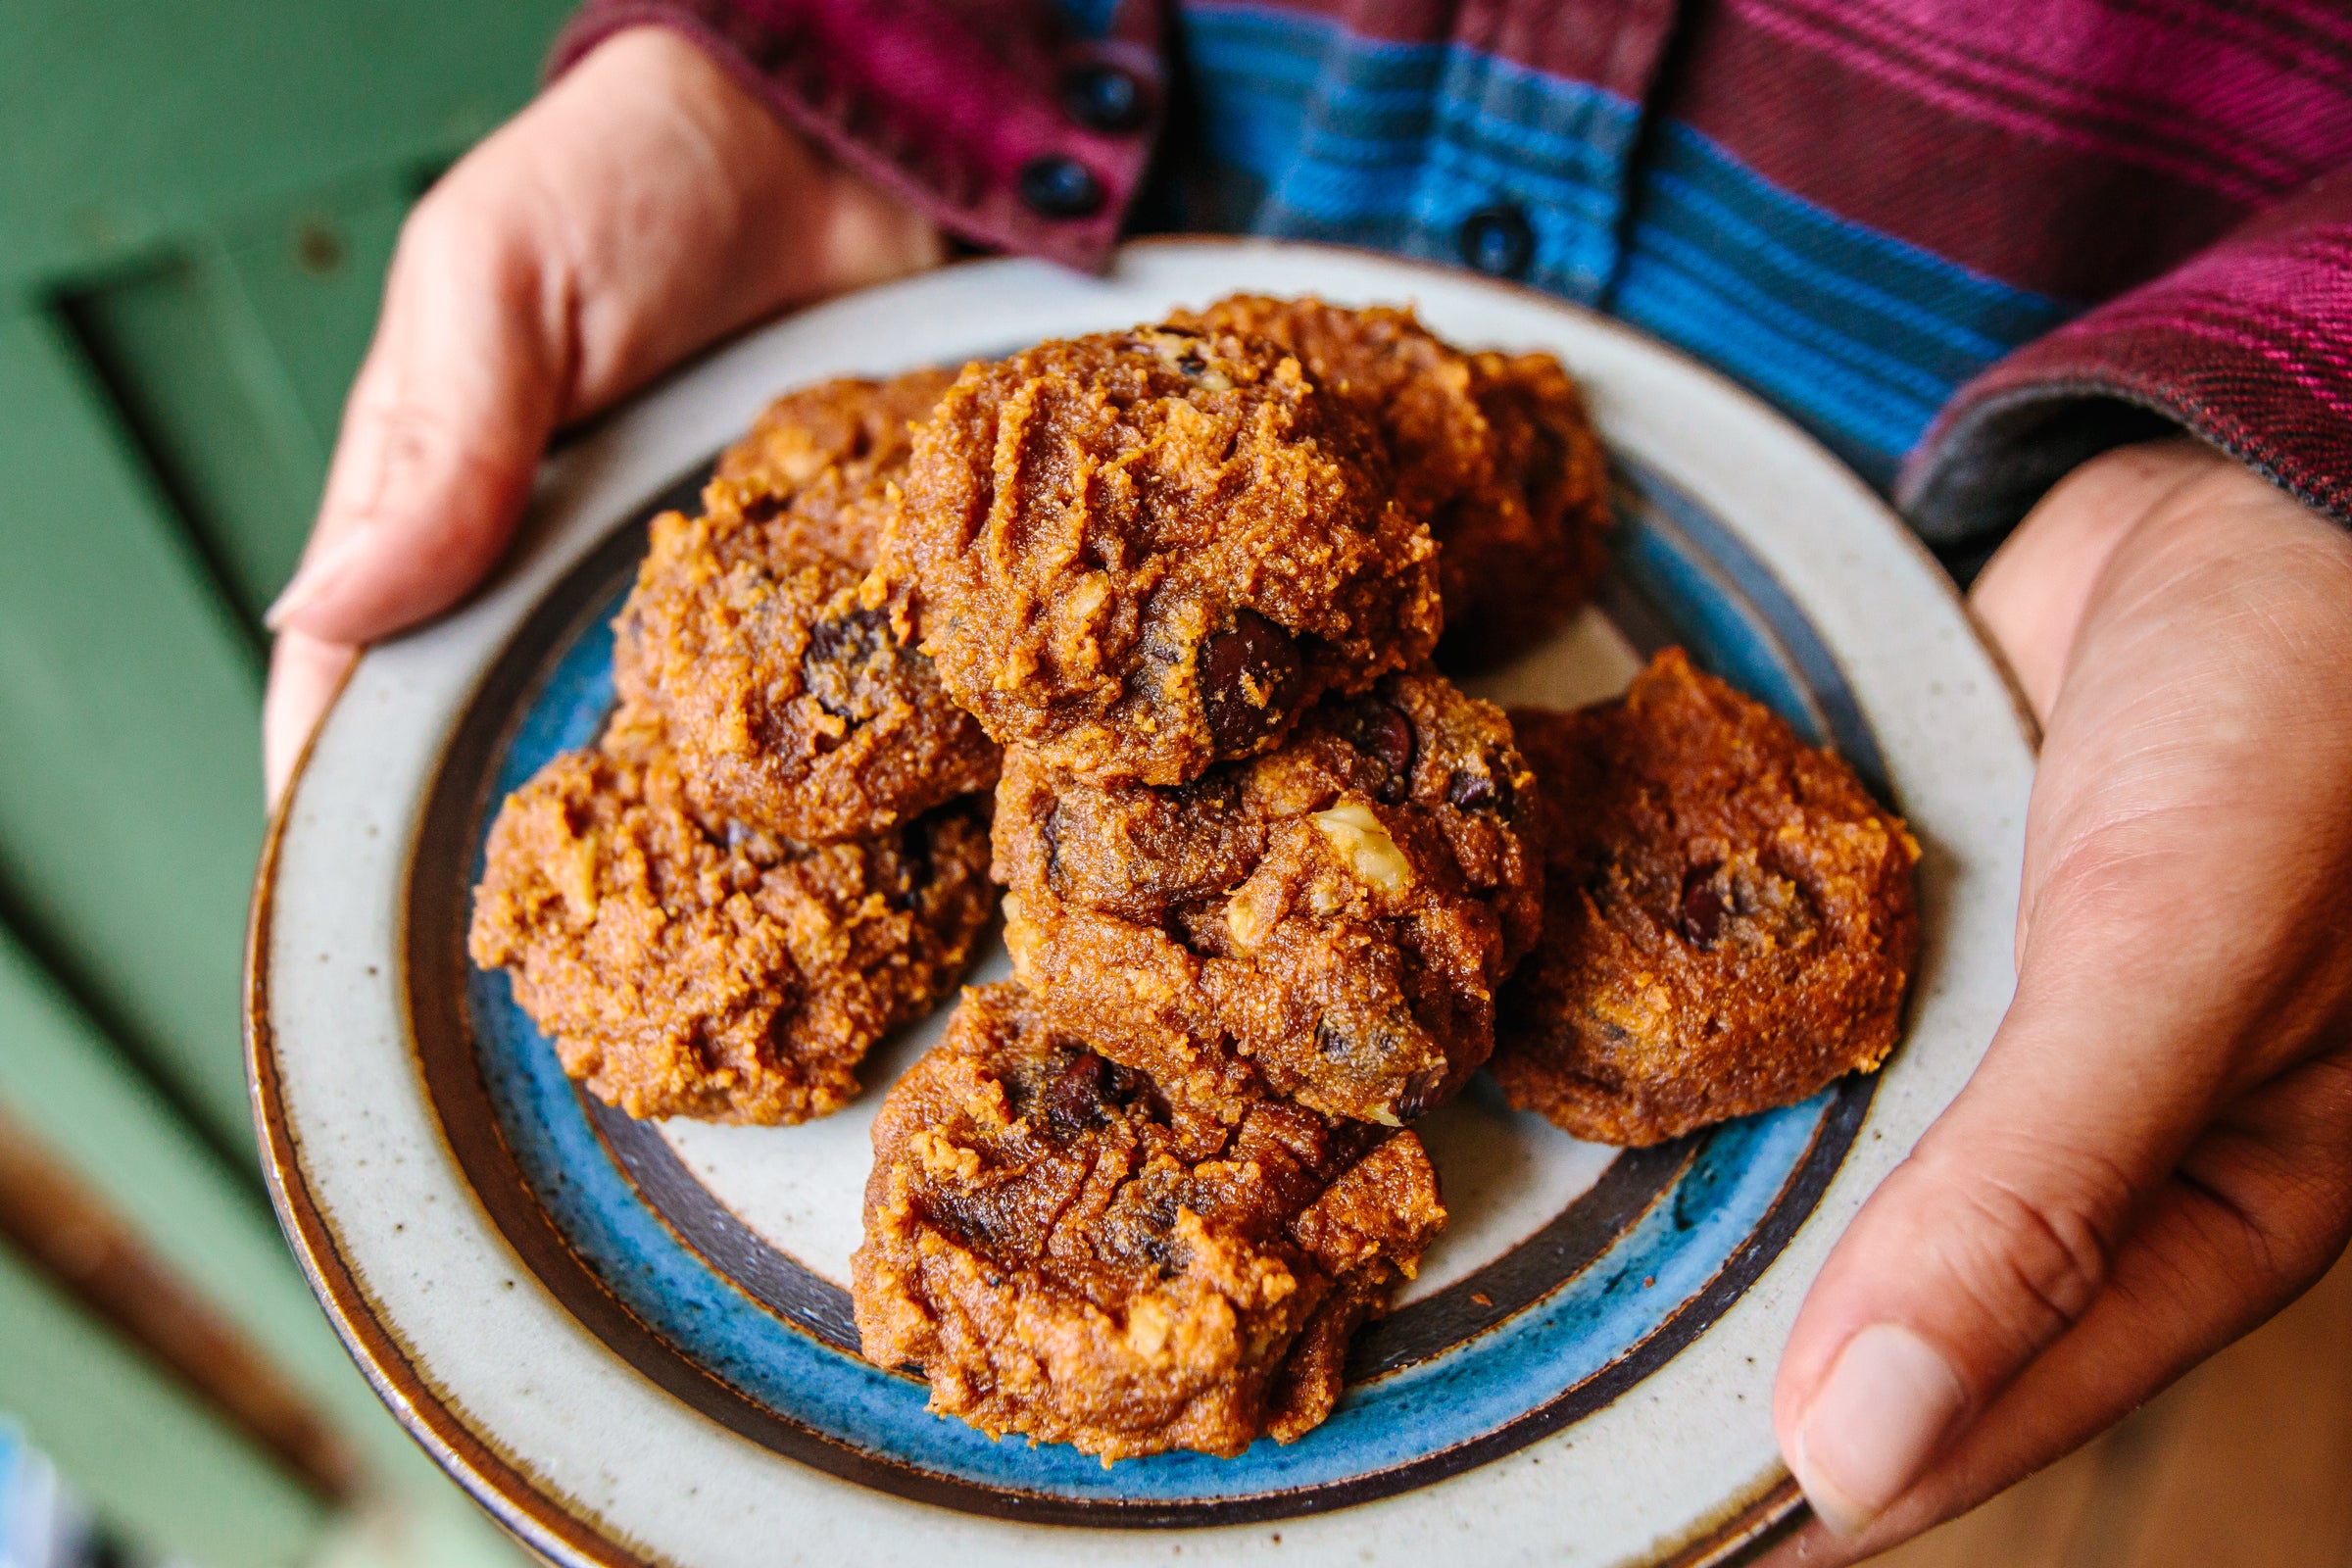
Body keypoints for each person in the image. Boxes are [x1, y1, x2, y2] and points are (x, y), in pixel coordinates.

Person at [259, 6, 2352, 1557]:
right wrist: (817, 61)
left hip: (1990, 501)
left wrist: (2292, 443)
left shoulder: (1403, 740)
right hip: (1090, 214)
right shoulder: (994, 596)